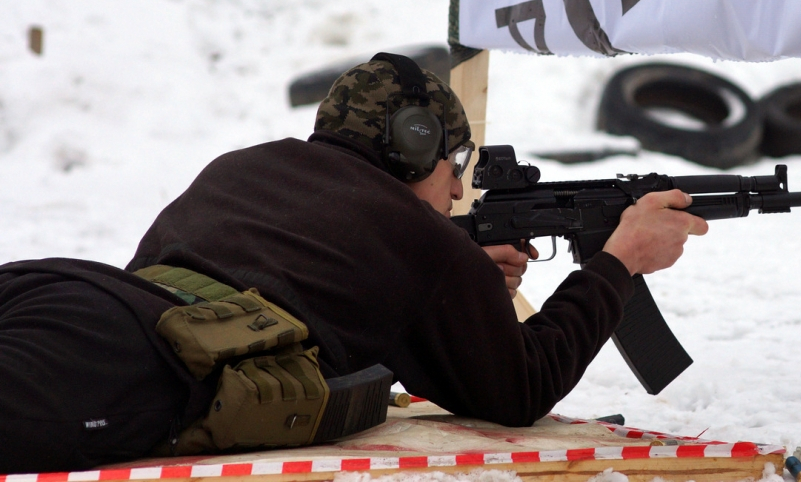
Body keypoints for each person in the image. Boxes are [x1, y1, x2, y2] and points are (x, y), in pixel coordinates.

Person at [0, 53, 706, 473]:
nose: (457, 191)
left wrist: (455, 283)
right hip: (121, 363)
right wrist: (619, 262)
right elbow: (522, 390)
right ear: (417, 148)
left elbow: (291, 267)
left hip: (61, 290)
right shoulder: (420, 240)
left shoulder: (240, 166)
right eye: (455, 164)